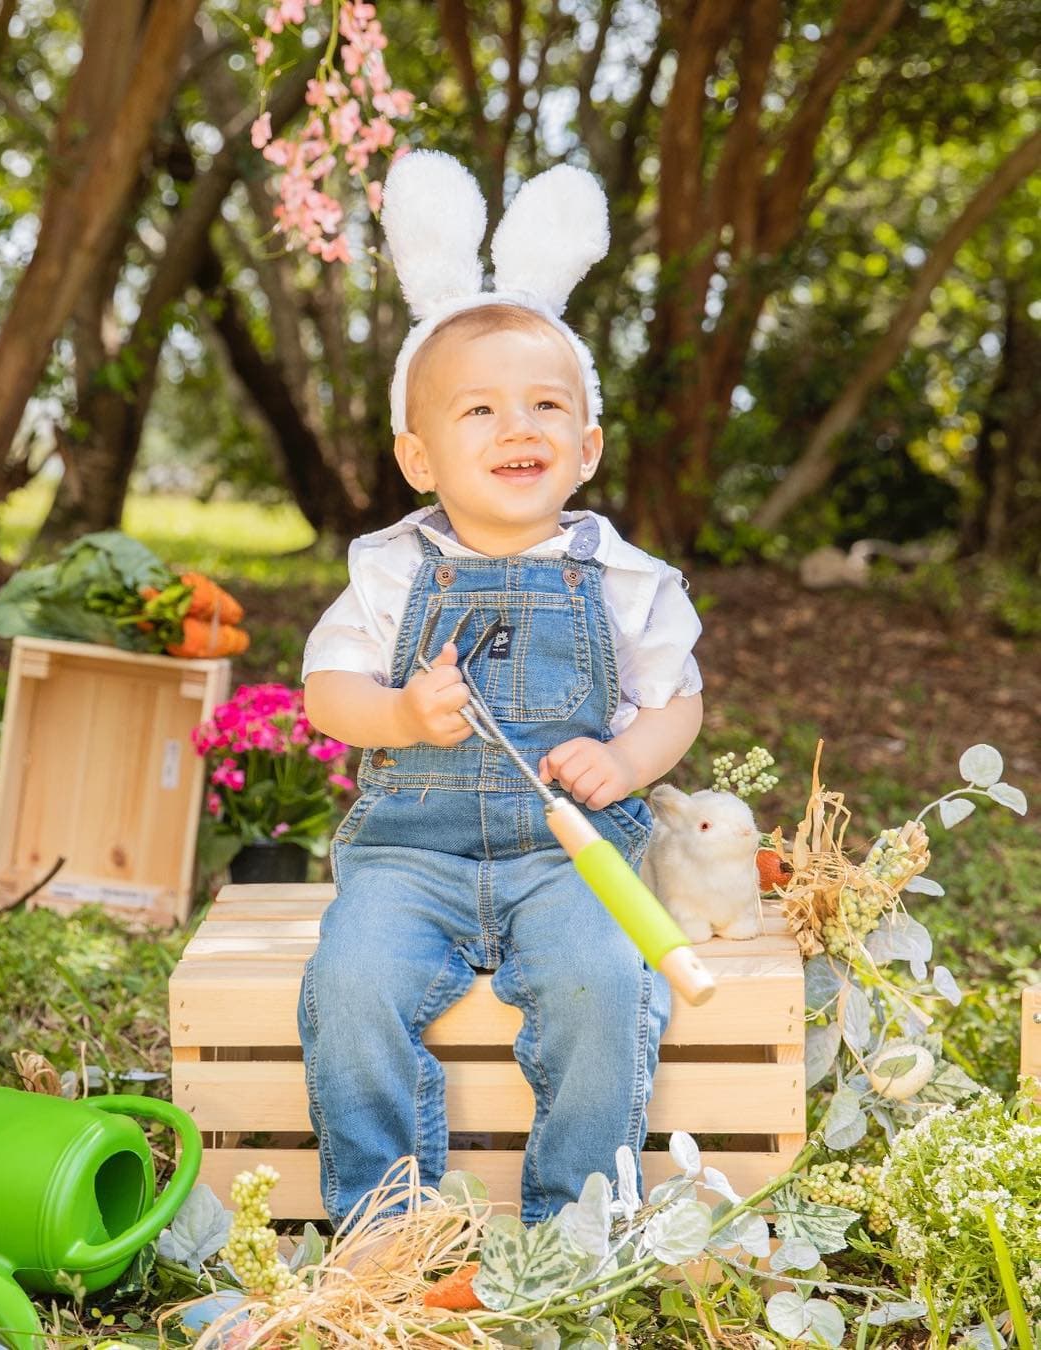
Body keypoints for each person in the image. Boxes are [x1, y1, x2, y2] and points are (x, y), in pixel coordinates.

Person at [298, 151, 704, 1227]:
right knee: (350, 986)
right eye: (477, 411)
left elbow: (678, 701)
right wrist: (394, 715)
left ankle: (572, 1225)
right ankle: (385, 1226)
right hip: (410, 856)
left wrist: (623, 761)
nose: (516, 427)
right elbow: (325, 691)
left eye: (543, 406)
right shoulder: (391, 571)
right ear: (418, 456)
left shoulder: (623, 578)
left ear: (588, 442)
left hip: (568, 859)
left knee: (605, 986)